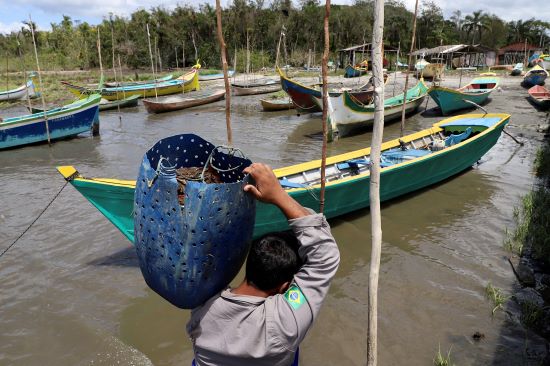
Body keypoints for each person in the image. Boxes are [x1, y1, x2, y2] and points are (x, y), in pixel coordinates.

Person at [186, 162, 340, 366]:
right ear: (284, 287)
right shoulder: (285, 324)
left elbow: (200, 247)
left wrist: (276, 195)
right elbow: (325, 254)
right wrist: (278, 195)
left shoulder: (202, 304)